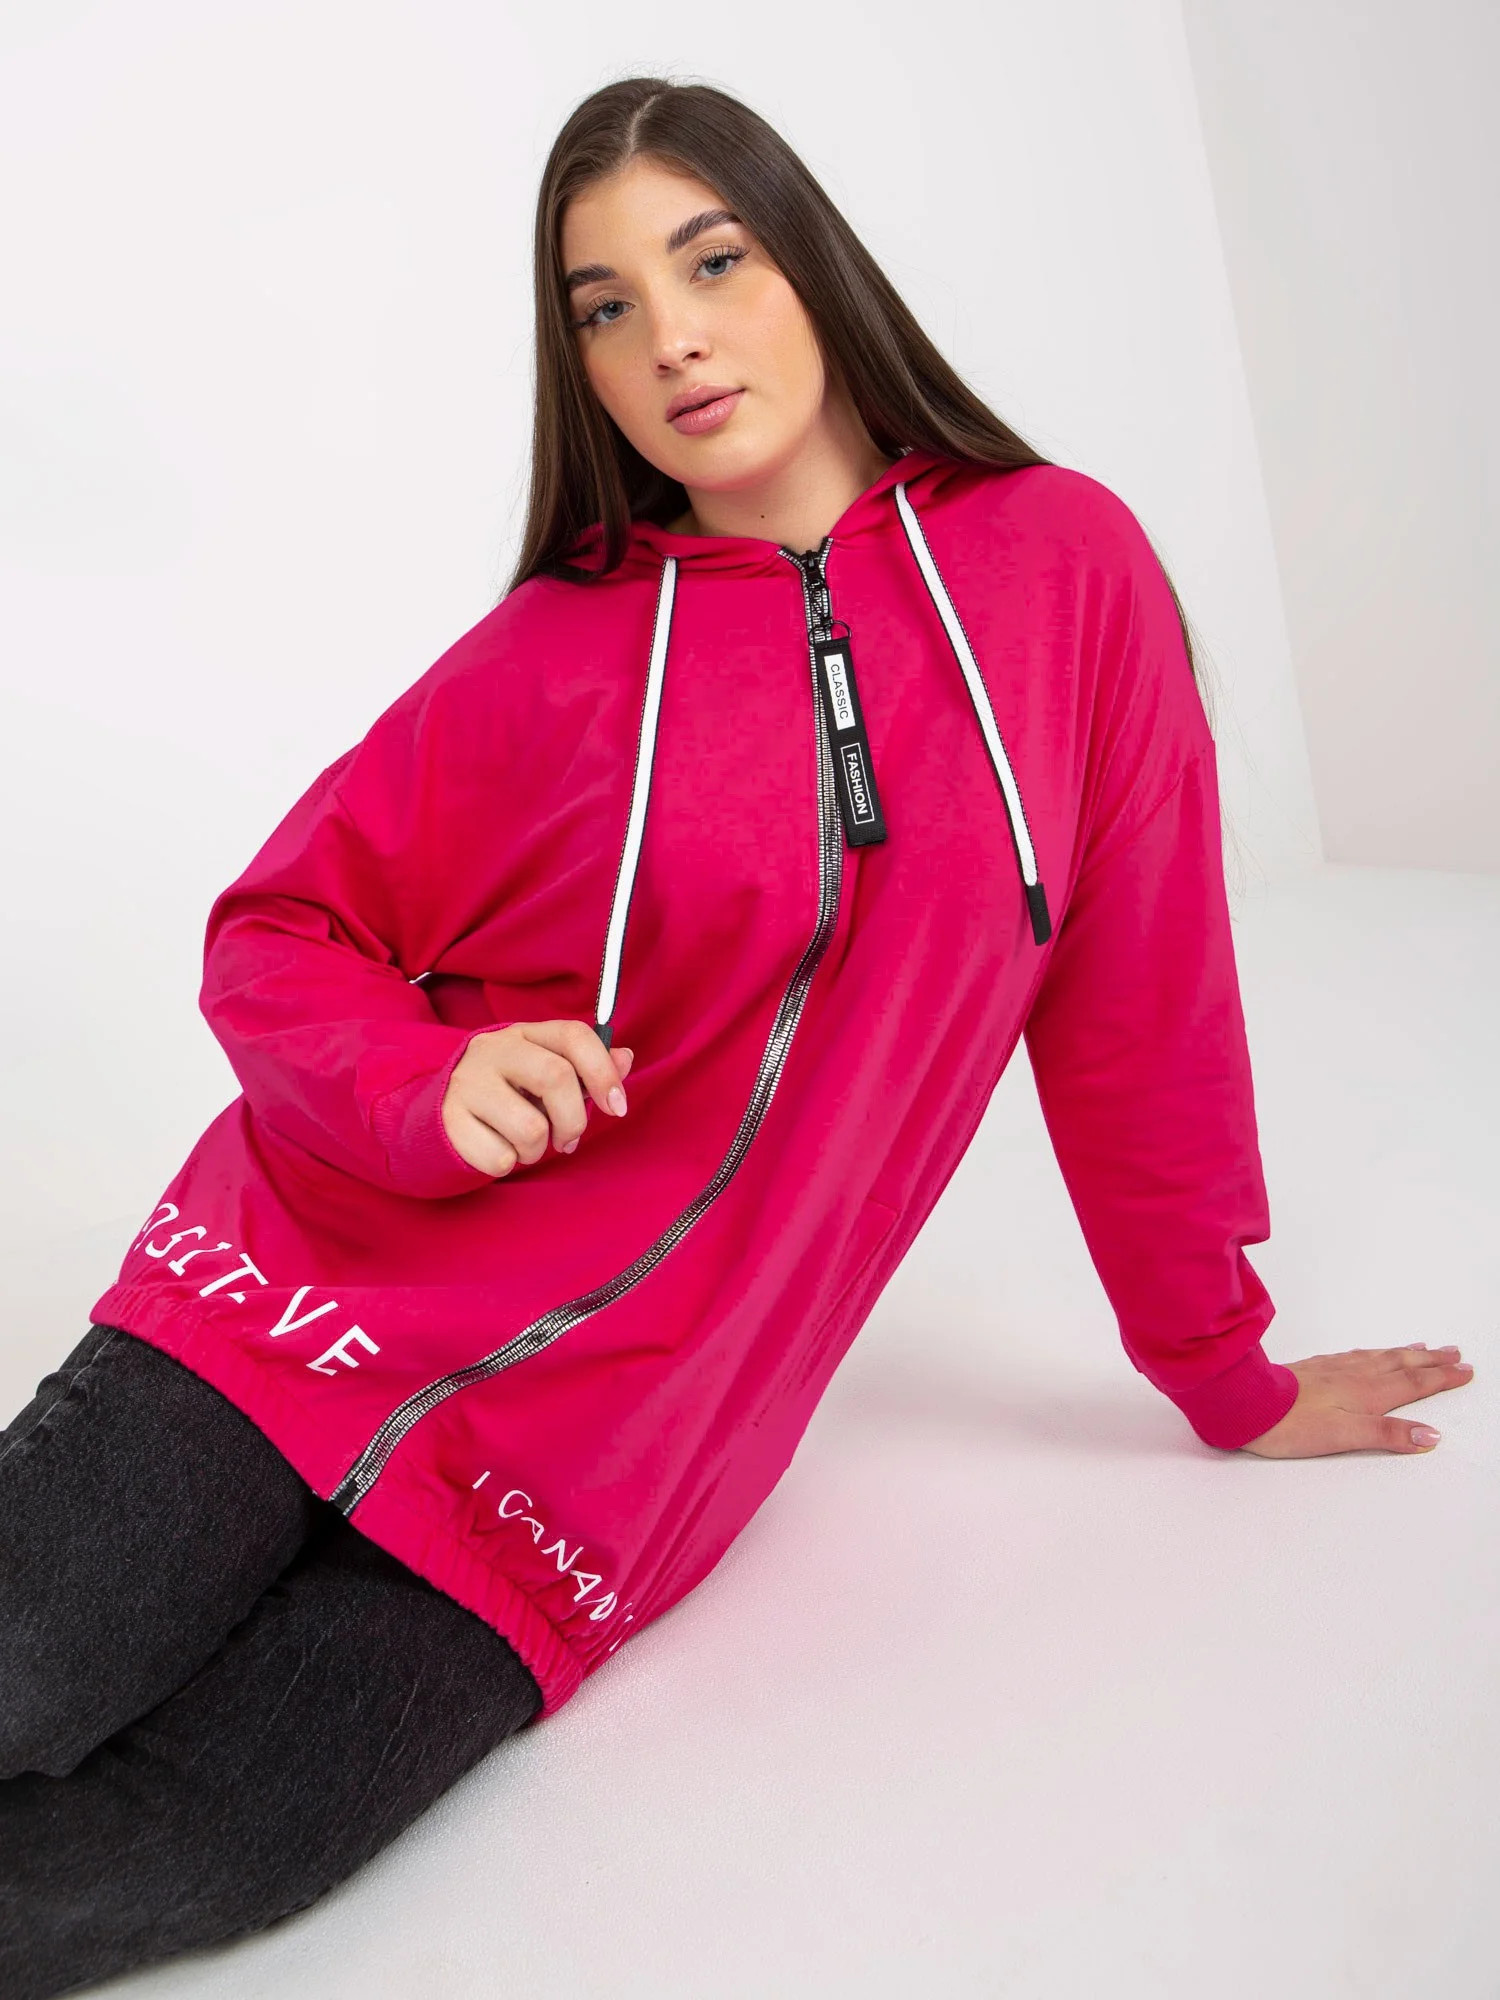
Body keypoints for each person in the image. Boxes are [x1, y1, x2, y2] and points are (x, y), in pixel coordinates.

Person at [0, 73, 1473, 1997]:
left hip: (591, 1470)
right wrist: (424, 1083)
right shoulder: (551, 654)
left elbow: (1145, 1009)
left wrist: (1223, 1369)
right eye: (606, 306)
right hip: (292, 1308)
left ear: (814, 268)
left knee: (188, 1857)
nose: (672, 338)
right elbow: (279, 933)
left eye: (713, 262)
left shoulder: (1065, 574)